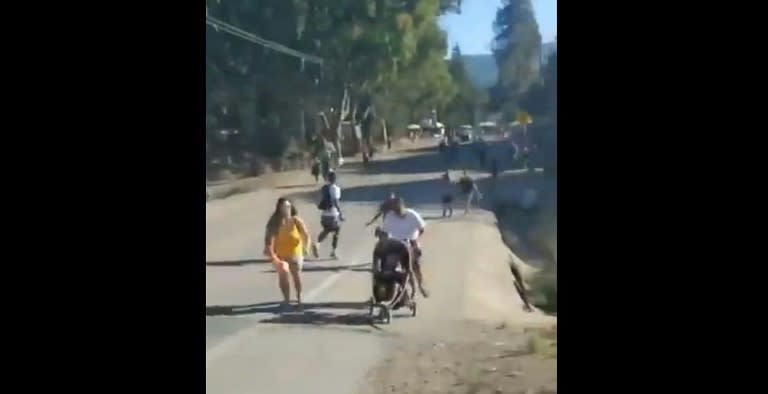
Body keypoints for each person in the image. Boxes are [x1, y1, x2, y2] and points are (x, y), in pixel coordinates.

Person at [264, 197, 312, 311]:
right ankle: (286, 300)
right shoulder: (274, 222)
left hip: (296, 253)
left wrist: (306, 247)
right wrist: (270, 252)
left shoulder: (296, 220)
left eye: (288, 206)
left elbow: (306, 235)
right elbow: (268, 238)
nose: (287, 209)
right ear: (279, 208)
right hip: (281, 254)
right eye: (284, 207)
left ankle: (299, 298)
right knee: (283, 274)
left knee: (296, 275)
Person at [380, 197, 429, 297]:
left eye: (398, 209)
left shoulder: (412, 215)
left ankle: (420, 285)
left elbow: (422, 228)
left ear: (403, 206)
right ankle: (410, 289)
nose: (397, 212)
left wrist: (415, 238)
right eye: (395, 209)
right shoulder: (390, 216)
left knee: (416, 267)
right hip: (397, 245)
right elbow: (385, 232)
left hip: (411, 243)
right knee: (403, 268)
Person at [315, 170, 343, 258]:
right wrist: (340, 213)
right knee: (336, 230)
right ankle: (333, 251)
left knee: (327, 230)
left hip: (324, 215)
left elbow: (319, 200)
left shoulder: (324, 188)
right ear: (335, 178)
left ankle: (317, 244)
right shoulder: (336, 189)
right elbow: (335, 202)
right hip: (332, 214)